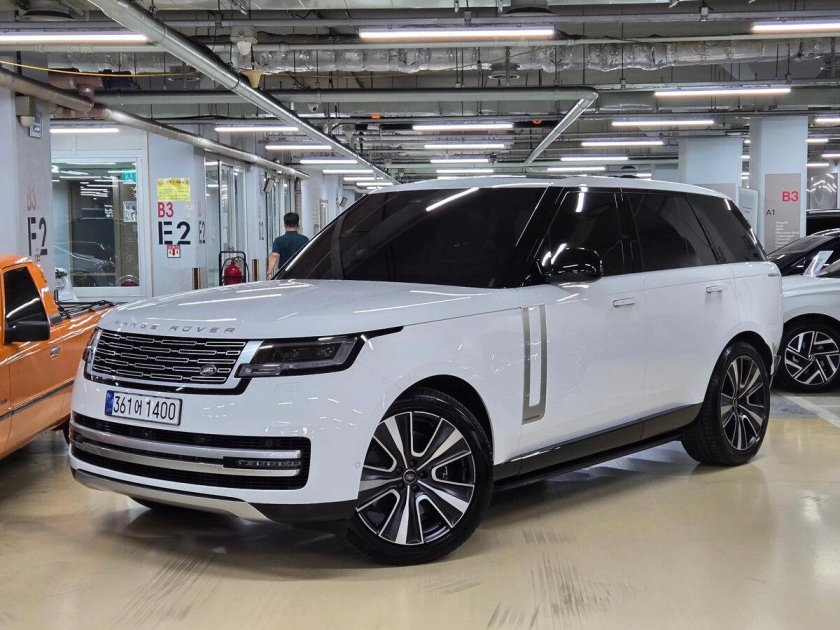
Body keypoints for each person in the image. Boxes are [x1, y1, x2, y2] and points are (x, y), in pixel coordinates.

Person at [267, 212, 309, 278]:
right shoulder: (305, 239)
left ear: (285, 225)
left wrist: (269, 272)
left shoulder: (278, 240)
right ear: (298, 225)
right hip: (300, 272)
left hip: (284, 273)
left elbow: (274, 256)